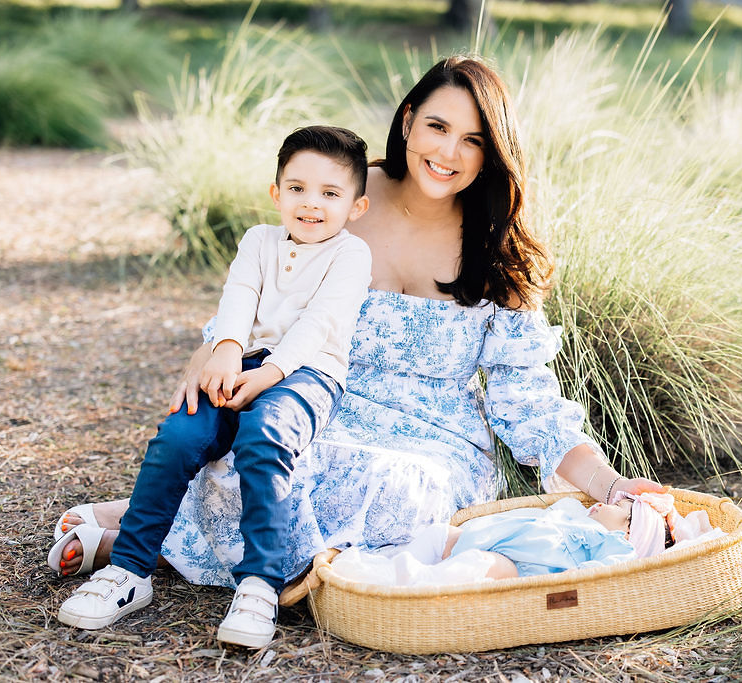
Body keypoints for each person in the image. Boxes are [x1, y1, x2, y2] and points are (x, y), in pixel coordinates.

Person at [50, 56, 668, 641]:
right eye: (437, 127)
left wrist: (609, 483)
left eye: (473, 140)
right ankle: (179, 544)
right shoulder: (340, 198)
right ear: (407, 122)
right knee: (256, 456)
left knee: (397, 490)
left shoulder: (496, 248)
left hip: (431, 439)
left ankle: (154, 534)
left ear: (492, 153)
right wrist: (212, 348)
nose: (448, 153)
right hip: (310, 402)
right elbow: (264, 296)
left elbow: (527, 400)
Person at [50, 125, 373, 649]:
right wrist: (225, 348)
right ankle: (129, 571)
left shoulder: (351, 254)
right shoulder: (258, 240)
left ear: (356, 207)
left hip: (306, 372)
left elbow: (322, 323)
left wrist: (269, 374)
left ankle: (259, 584)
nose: (311, 204)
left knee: (265, 437)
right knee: (178, 436)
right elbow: (240, 294)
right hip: (238, 358)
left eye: (330, 194)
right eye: (297, 188)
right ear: (276, 193)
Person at [329, 491, 724, 587]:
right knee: (439, 535)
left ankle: (408, 580)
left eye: (614, 507)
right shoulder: (573, 512)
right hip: (479, 536)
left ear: (626, 530)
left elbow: (604, 574)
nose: (599, 505)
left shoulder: (615, 548)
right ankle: (385, 564)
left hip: (515, 564)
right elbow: (564, 498)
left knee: (477, 567)